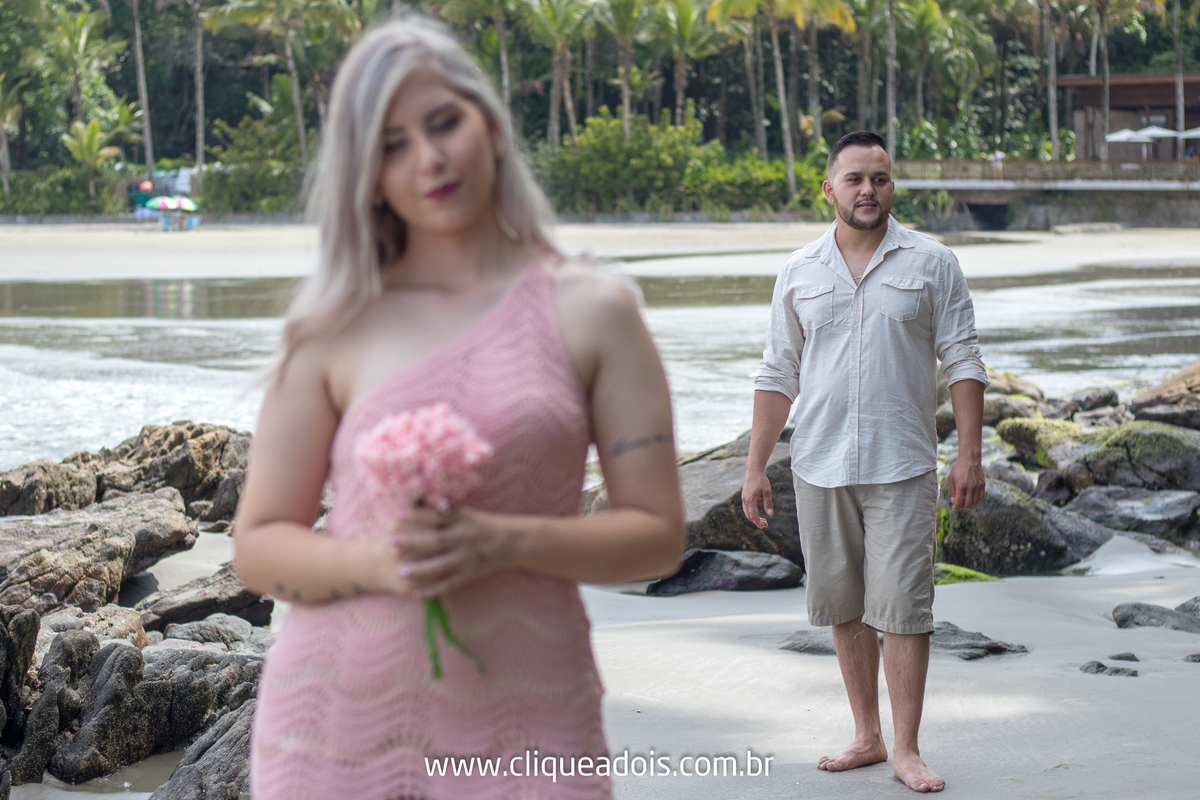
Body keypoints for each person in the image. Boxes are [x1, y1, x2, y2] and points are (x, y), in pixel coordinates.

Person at [234, 17, 684, 799]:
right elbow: (260, 545)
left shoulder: (594, 310)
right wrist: (378, 562)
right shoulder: (335, 324)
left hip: (533, 716)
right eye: (392, 145)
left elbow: (658, 536)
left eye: (444, 123)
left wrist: (504, 542)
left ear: (491, 123)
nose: (429, 158)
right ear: (367, 174)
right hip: (333, 734)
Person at [741, 130, 986, 794]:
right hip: (818, 464)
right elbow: (778, 372)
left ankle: (906, 749)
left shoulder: (933, 263)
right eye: (854, 179)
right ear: (830, 189)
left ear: (892, 185)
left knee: (904, 607)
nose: (868, 190)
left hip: (902, 463)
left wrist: (969, 454)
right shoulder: (798, 271)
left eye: (879, 177)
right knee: (844, 605)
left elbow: (963, 359)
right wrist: (755, 465)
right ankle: (867, 735)